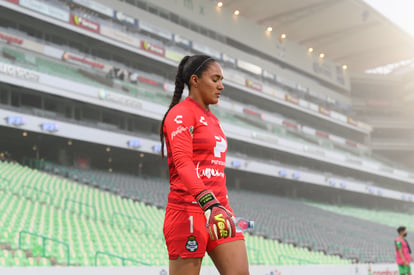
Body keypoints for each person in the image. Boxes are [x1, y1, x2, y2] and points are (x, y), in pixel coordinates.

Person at [159, 55, 249, 275]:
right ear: (195, 80)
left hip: (220, 212)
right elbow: (183, 164)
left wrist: (219, 208)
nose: (221, 86)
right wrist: (209, 204)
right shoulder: (180, 114)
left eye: (221, 80)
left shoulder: (213, 120)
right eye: (215, 79)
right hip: (187, 211)